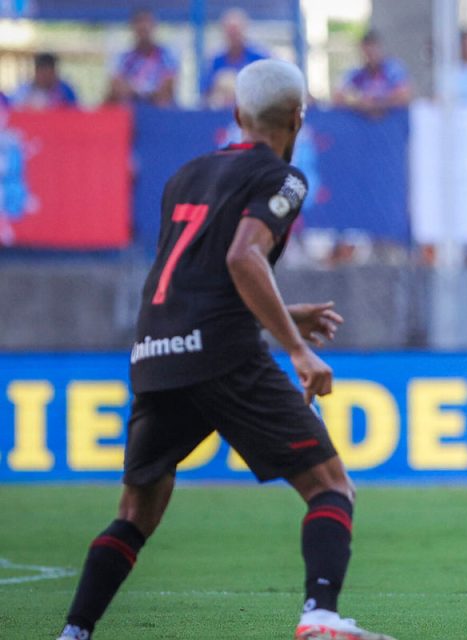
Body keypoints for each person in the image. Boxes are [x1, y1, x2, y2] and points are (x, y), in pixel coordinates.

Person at [55, 60, 394, 640]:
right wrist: (297, 348)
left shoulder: (185, 175)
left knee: (135, 512)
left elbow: (197, 278)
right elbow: (242, 257)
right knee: (330, 485)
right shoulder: (284, 179)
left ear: (237, 114)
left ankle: (74, 633)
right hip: (223, 354)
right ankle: (320, 617)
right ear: (298, 119)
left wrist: (283, 312)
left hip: (157, 350)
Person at [107, 9, 178, 106]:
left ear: (154, 26)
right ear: (132, 27)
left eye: (147, 23)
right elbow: (117, 86)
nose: (143, 27)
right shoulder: (123, 58)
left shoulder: (167, 55)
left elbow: (167, 87)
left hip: (160, 110)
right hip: (130, 109)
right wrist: (140, 92)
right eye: (139, 23)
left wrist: (143, 93)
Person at [334, 30, 412, 118]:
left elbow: (404, 95)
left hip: (391, 122)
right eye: (366, 51)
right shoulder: (356, 73)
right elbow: (338, 97)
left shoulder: (392, 69)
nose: (369, 55)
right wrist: (358, 102)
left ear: (379, 48)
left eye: (372, 49)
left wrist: (377, 103)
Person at [202, 8, 268, 105]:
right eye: (230, 33)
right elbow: (205, 94)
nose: (233, 37)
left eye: (236, 33)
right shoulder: (214, 60)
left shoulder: (260, 58)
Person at [9, 52, 77, 109]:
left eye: (49, 73)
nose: (45, 77)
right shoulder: (24, 90)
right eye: (42, 73)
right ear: (36, 72)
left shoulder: (65, 91)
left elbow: (74, 111)